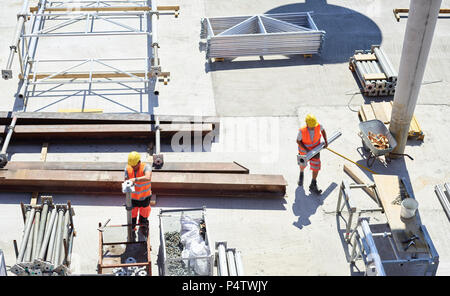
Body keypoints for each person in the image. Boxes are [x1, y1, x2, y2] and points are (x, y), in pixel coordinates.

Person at [296, 114, 328, 194]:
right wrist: (306, 150)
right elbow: (298, 141)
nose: (313, 127)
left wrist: (326, 141)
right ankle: (301, 174)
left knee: (316, 166)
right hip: (304, 151)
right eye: (311, 126)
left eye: (314, 126)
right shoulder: (302, 131)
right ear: (307, 124)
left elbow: (323, 130)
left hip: (315, 150)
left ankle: (313, 183)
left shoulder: (318, 125)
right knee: (302, 165)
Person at [125, 151, 152, 236]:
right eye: (131, 165)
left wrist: (135, 179)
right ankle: (132, 229)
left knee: (144, 214)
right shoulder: (128, 168)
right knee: (132, 215)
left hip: (145, 197)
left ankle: (143, 227)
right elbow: (125, 180)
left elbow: (148, 177)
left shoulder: (146, 167)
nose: (133, 167)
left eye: (134, 166)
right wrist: (127, 183)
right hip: (133, 198)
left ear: (139, 162)